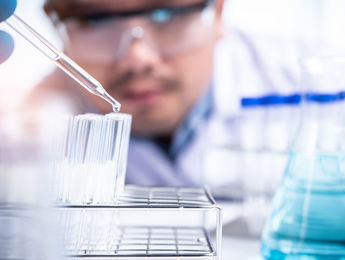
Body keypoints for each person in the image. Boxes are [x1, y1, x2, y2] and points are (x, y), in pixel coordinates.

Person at [30, 0, 307, 187]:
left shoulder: (323, 93)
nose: (138, 59)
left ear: (219, 12)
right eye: (97, 20)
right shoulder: (27, 125)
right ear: (55, 27)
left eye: (166, 14)